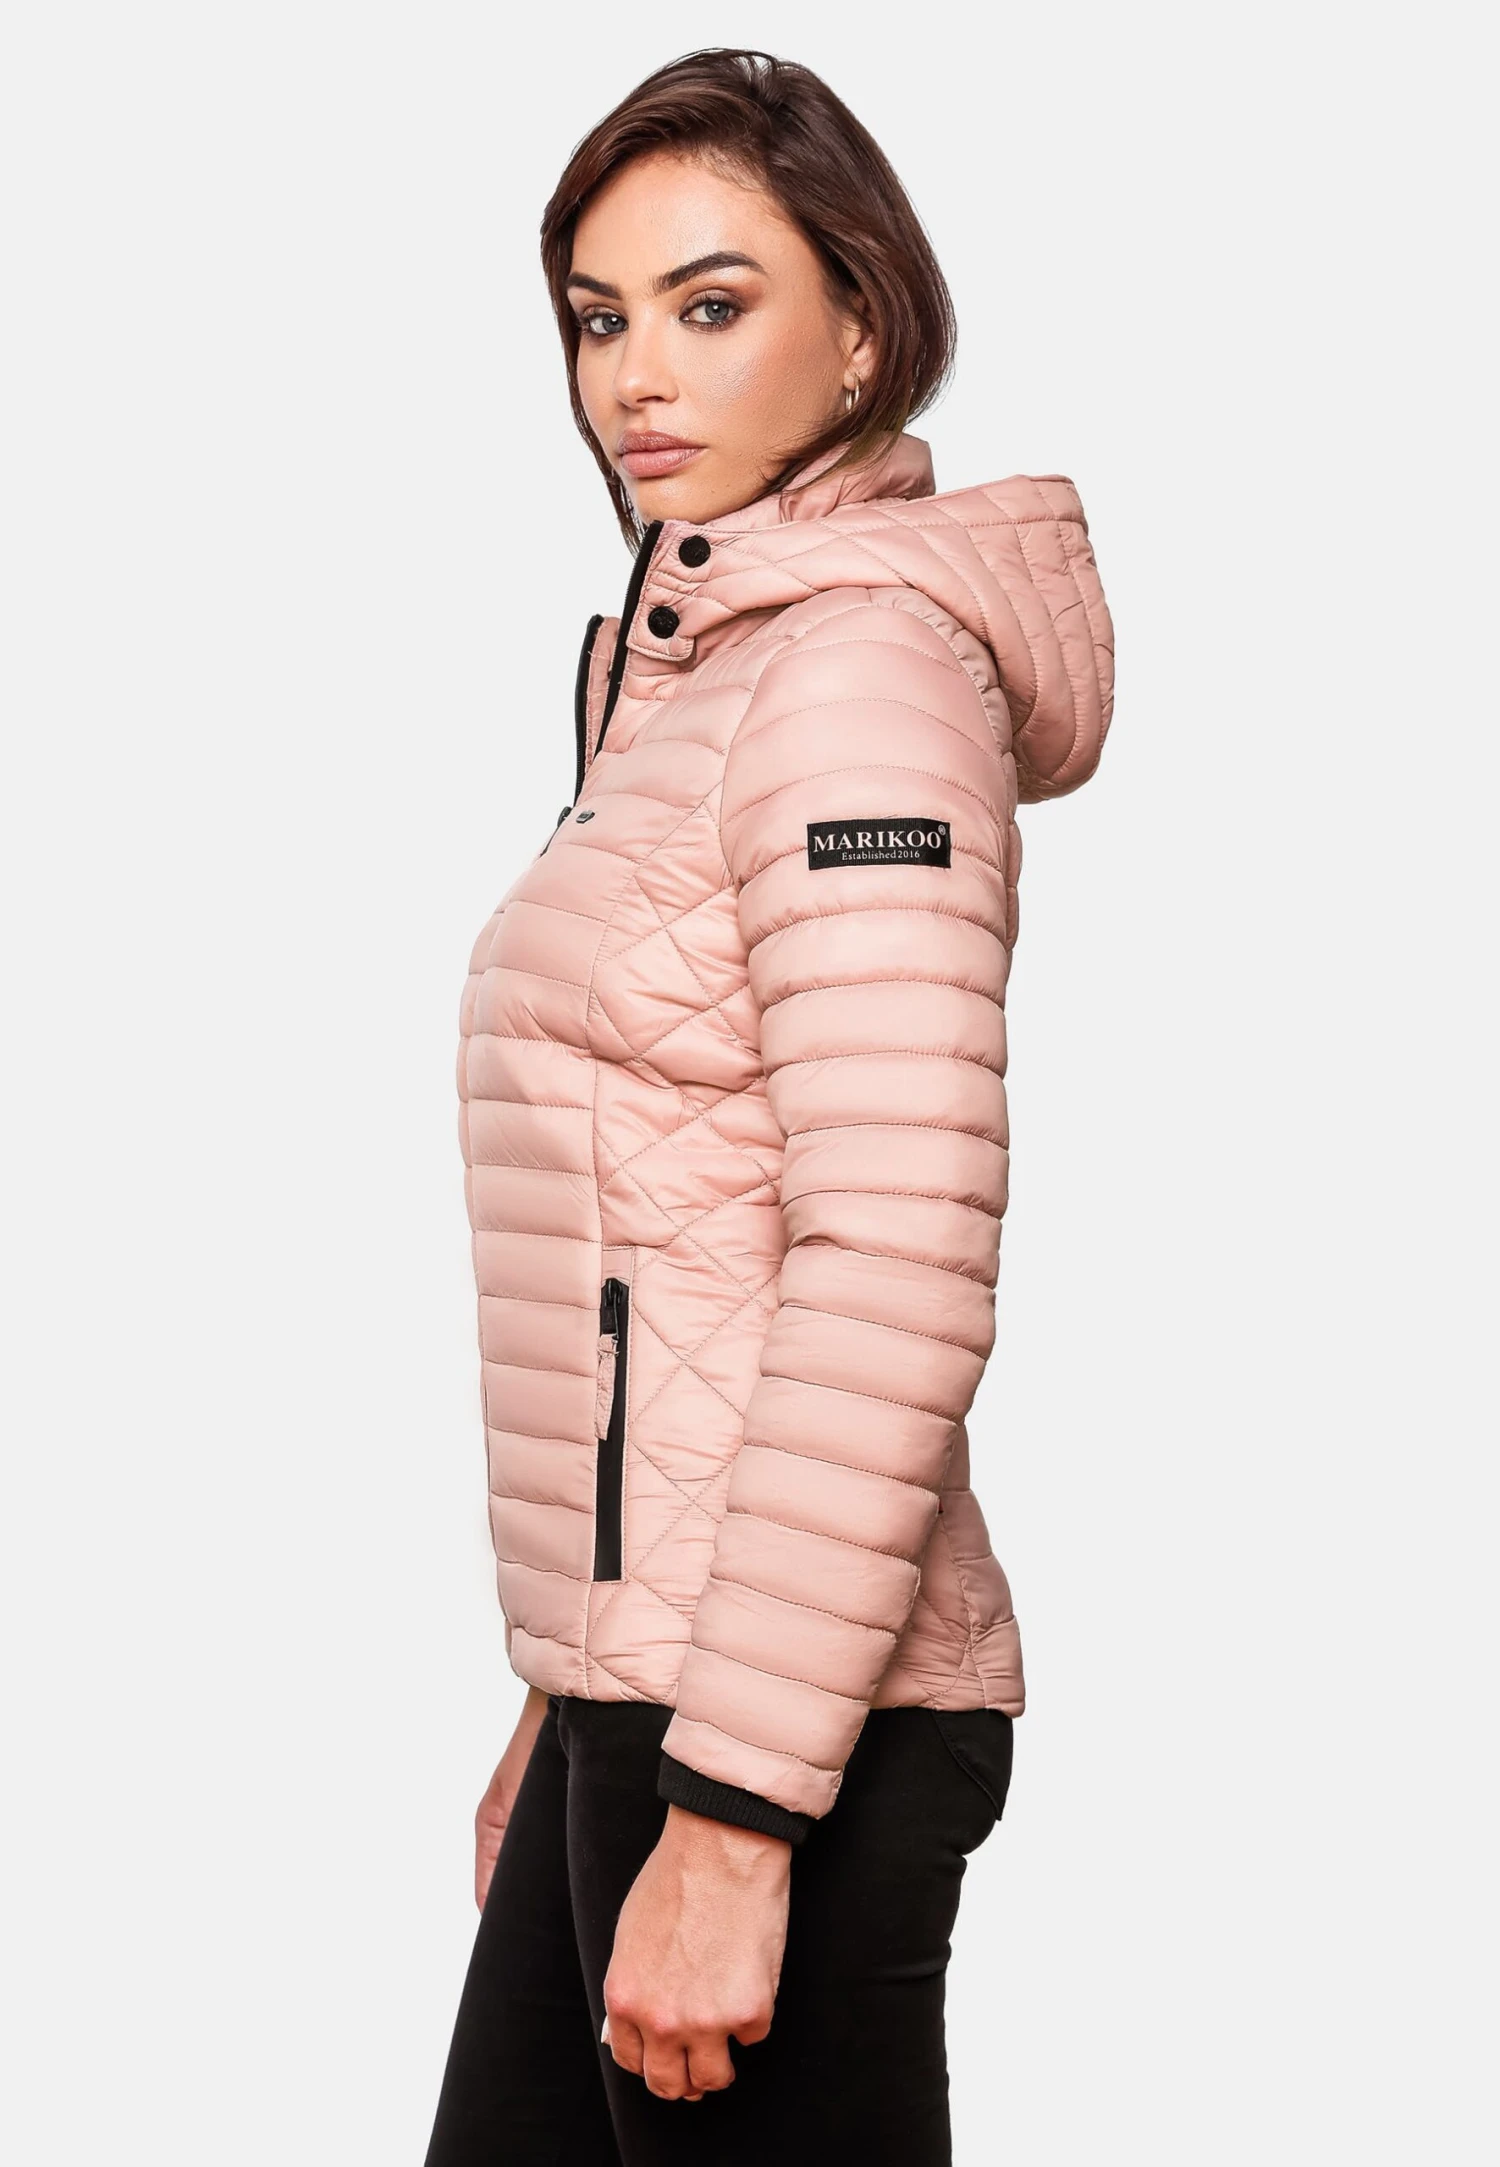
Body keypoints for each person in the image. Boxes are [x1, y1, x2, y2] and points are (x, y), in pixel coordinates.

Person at [424, 46, 1115, 2167]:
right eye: (599, 316)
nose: (636, 374)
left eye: (711, 305)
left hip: (787, 1735)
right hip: (660, 1683)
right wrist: (565, 1686)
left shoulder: (856, 678)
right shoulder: (700, 666)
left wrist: (729, 1815)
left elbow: (895, 1256)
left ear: (865, 329)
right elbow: (667, 1228)